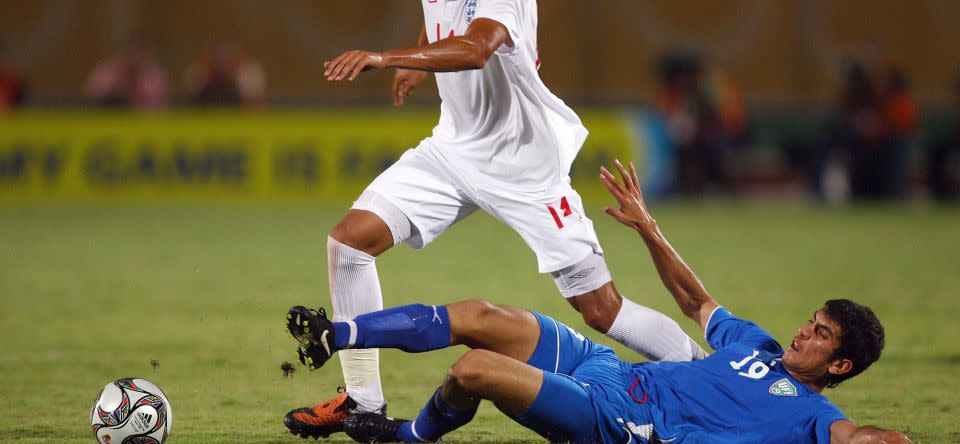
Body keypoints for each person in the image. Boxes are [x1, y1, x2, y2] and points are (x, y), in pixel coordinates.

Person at [283, 0, 705, 438]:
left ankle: (704, 372)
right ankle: (362, 403)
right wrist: (418, 62)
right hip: (453, 151)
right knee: (348, 243)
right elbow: (437, 11)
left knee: (601, 309)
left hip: (526, 168)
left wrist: (389, 58)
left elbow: (480, 47)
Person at [285, 160, 912, 444]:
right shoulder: (758, 346)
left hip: (618, 424)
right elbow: (695, 300)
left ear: (841, 367)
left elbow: (860, 437)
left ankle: (405, 437)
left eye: (822, 335)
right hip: (613, 374)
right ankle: (339, 334)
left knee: (472, 368)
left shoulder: (810, 419)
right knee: (481, 316)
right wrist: (648, 228)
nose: (805, 332)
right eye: (813, 321)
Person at [86, 35, 168, 110]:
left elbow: (160, 110)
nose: (134, 56)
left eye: (139, 51)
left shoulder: (154, 78)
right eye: (131, 51)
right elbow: (92, 102)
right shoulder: (107, 74)